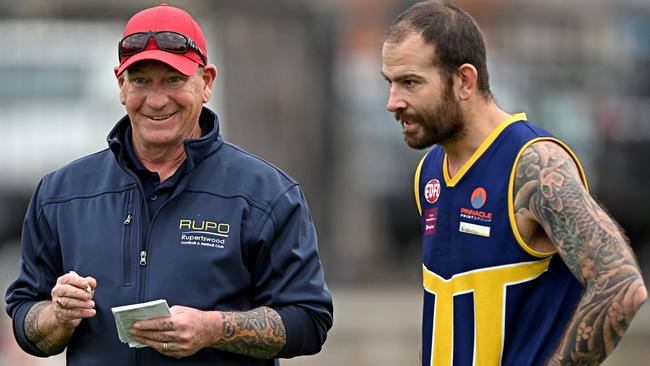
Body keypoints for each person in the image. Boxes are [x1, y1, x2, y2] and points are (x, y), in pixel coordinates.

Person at [5, 3, 333, 365]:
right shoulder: (61, 194)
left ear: (206, 82)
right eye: (141, 80)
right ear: (120, 85)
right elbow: (25, 319)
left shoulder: (265, 194)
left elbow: (309, 320)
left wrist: (212, 328)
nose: (156, 100)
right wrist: (59, 315)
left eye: (174, 80)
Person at [381, 2, 647, 365]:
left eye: (410, 82)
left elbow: (622, 285)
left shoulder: (533, 165)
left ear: (464, 81)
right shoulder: (430, 170)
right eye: (390, 83)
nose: (392, 102)